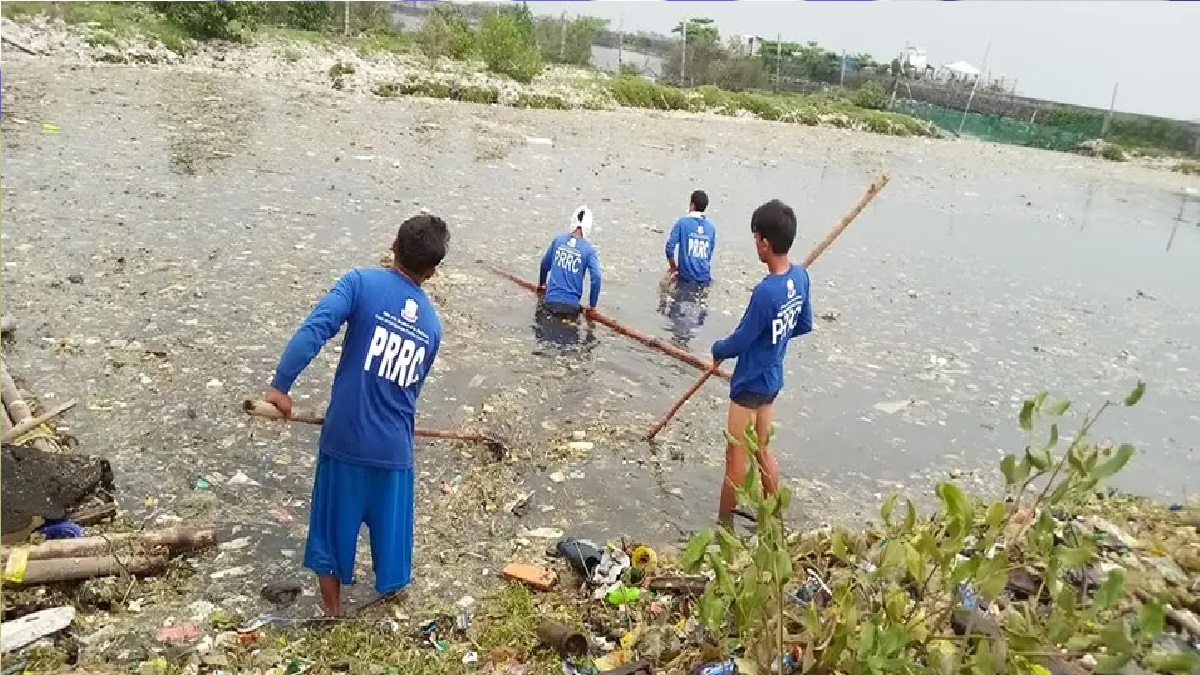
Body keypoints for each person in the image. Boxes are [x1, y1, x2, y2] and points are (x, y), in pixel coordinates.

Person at [263, 213, 450, 616]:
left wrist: (281, 387)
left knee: (330, 538)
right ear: (432, 272)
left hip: (345, 439)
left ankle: (333, 612)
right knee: (392, 550)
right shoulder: (432, 326)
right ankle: (388, 608)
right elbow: (409, 391)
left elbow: (315, 329)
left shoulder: (359, 283)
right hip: (395, 451)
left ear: (393, 246)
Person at [710, 200, 812, 529]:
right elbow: (803, 323)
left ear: (765, 243)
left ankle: (723, 528)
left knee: (735, 459)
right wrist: (774, 341)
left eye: (755, 238)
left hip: (750, 384)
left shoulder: (766, 292)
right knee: (763, 449)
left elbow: (739, 341)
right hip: (772, 379)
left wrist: (717, 349)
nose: (755, 244)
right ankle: (774, 519)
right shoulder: (801, 277)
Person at [537, 205, 602, 318]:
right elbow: (596, 277)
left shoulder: (558, 241)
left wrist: (542, 284)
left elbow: (544, 265)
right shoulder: (589, 250)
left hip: (550, 302)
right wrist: (592, 305)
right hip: (571, 307)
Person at [665, 190, 716, 287]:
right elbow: (708, 254)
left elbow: (669, 248)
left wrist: (674, 268)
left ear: (692, 205)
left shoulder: (682, 223)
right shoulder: (711, 228)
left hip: (686, 277)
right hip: (704, 277)